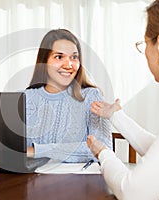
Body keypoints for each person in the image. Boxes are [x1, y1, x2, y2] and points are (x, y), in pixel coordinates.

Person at [87, 0, 159, 199]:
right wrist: (116, 116)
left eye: (143, 44)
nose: (144, 54)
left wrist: (103, 153)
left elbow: (133, 193)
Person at [25, 29, 112, 163]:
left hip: (77, 181)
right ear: (44, 61)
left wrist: (38, 150)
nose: (69, 65)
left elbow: (102, 148)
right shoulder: (26, 97)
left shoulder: (91, 96)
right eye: (59, 57)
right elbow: (14, 149)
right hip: (31, 179)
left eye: (74, 57)